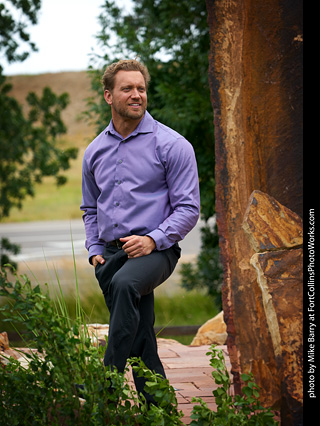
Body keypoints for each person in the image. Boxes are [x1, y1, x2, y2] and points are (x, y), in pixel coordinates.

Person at [80, 59, 200, 404]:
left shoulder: (173, 145)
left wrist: (152, 240)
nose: (137, 95)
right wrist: (93, 249)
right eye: (127, 88)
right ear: (108, 96)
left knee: (126, 284)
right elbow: (90, 208)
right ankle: (160, 405)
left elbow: (189, 209)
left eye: (141, 88)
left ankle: (106, 385)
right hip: (110, 254)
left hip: (158, 250)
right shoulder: (95, 151)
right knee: (140, 332)